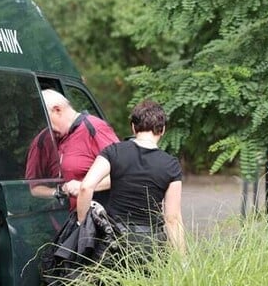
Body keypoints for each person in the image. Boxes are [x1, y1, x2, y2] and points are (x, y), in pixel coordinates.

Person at [75, 99, 185, 257]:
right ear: (162, 130)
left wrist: (82, 226)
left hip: (114, 241)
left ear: (133, 127)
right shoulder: (171, 165)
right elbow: (172, 218)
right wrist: (182, 260)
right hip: (150, 244)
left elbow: (85, 187)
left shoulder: (113, 151)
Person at [25, 89, 119, 211]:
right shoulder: (43, 140)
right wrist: (57, 192)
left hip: (96, 218)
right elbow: (34, 188)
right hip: (61, 222)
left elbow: (123, 173)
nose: (46, 127)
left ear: (57, 110)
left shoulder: (94, 128)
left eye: (47, 121)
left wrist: (84, 187)